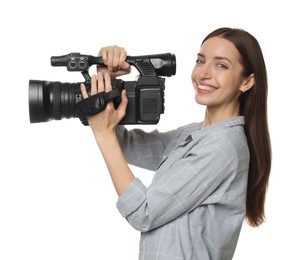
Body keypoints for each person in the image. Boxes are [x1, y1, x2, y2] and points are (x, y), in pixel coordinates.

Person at [80, 27, 272, 260]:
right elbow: (127, 146)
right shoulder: (195, 134)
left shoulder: (222, 147)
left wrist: (104, 135)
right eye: (200, 61)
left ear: (247, 81)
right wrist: (106, 81)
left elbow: (144, 213)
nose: (203, 73)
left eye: (221, 65)